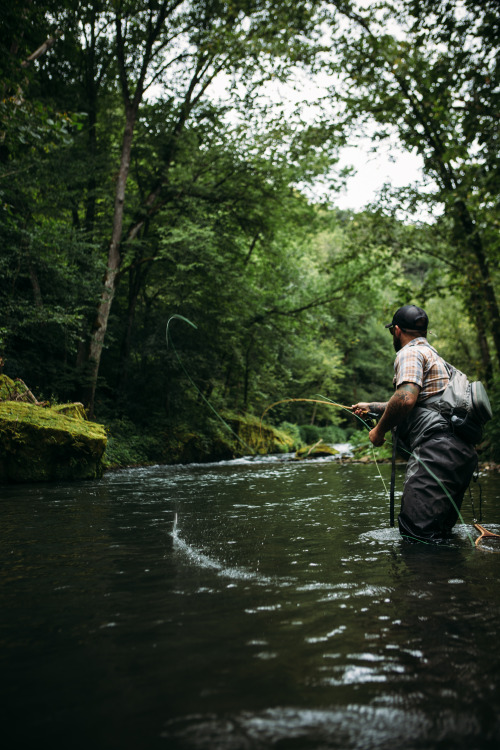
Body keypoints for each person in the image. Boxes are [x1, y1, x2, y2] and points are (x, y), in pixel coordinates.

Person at [352, 304, 477, 543]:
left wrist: (378, 431)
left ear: (397, 331)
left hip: (436, 452)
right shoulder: (436, 358)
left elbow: (406, 398)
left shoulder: (409, 353)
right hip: (459, 453)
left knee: (416, 536)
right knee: (439, 537)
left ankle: (423, 581)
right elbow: (427, 403)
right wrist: (373, 408)